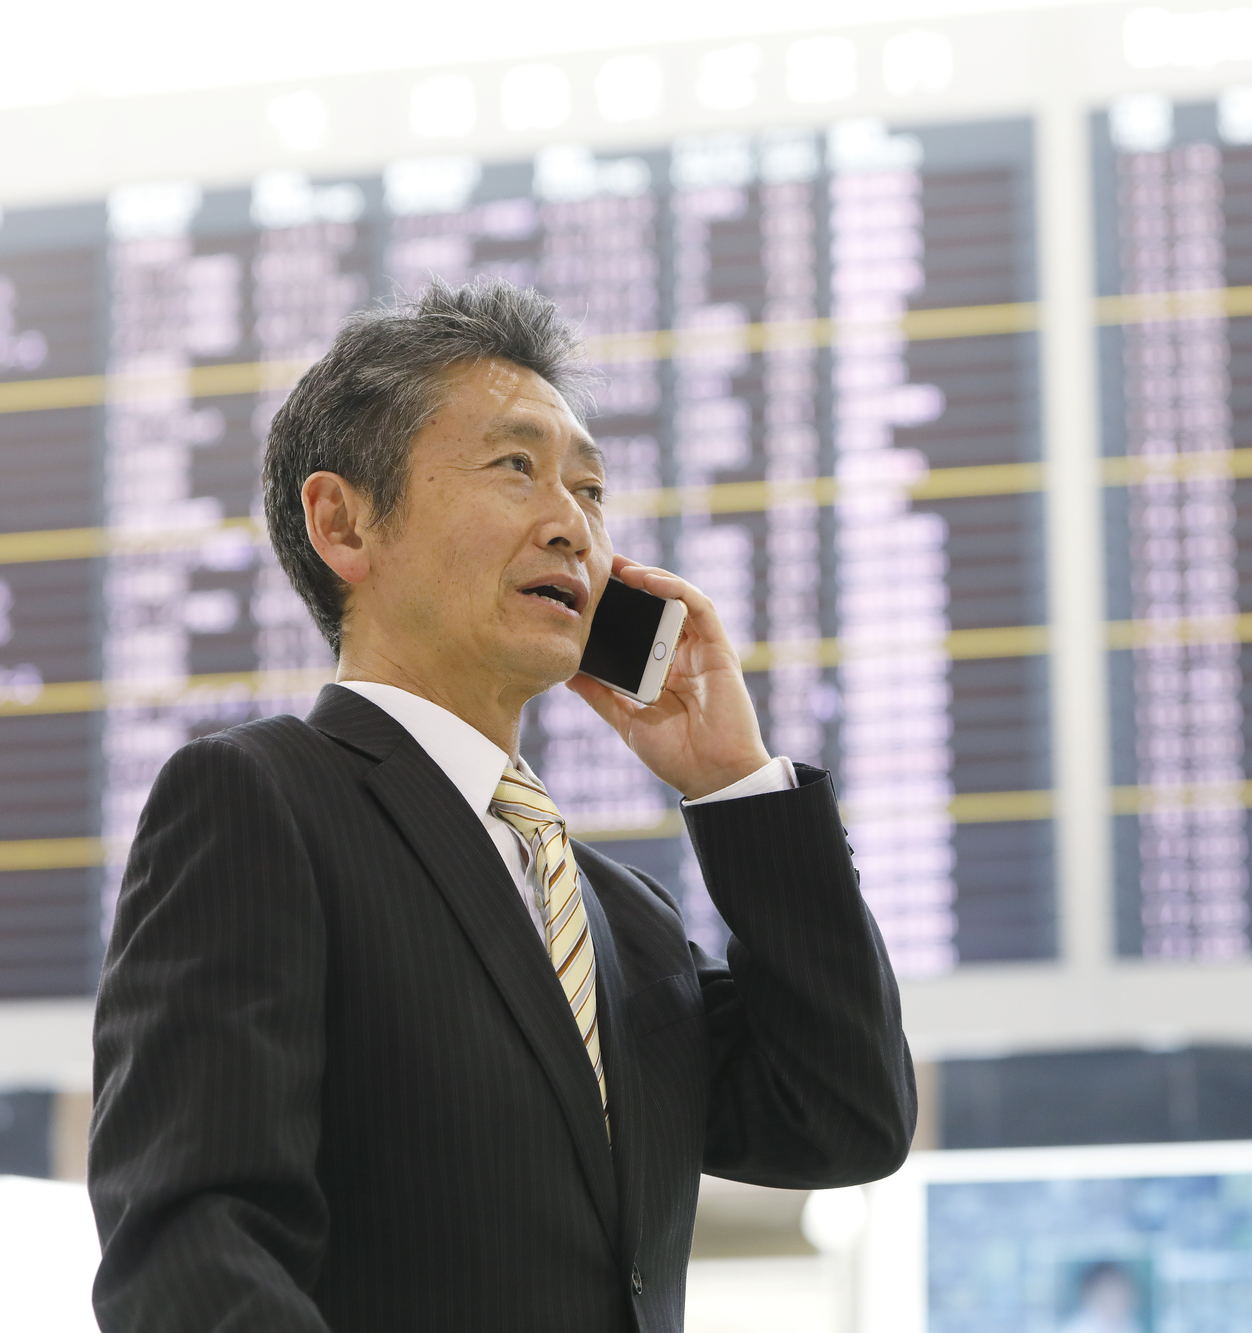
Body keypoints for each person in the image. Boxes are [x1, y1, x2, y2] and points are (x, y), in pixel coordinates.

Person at [86, 280, 916, 1332]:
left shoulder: (619, 917)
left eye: (590, 489)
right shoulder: (262, 801)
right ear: (342, 522)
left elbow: (844, 1118)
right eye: (515, 467)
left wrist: (734, 783)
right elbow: (193, 1249)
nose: (572, 525)